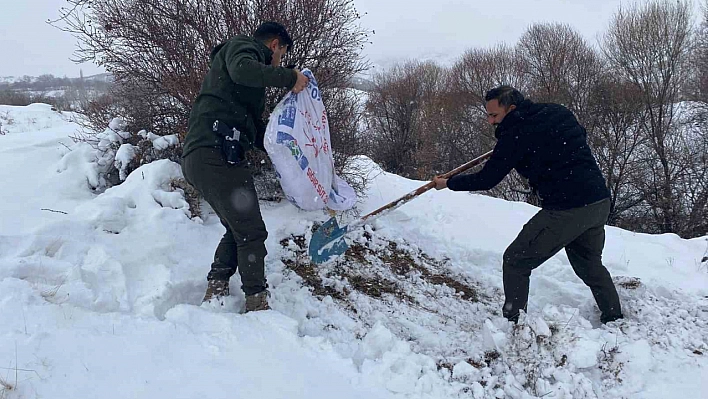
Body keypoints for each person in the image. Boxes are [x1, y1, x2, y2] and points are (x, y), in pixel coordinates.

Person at [433, 85, 624, 324]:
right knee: (588, 263)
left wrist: (448, 183)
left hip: (567, 208)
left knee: (516, 260)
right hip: (598, 201)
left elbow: (487, 179)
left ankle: (515, 323)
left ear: (511, 109)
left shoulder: (514, 134)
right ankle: (614, 315)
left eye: (494, 116)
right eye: (488, 115)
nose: (491, 122)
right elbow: (579, 135)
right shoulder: (557, 111)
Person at [181, 21, 309, 311]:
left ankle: (217, 285)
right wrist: (290, 77)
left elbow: (258, 132)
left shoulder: (239, 82)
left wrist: (291, 153)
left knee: (237, 227)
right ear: (275, 44)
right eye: (282, 54)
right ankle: (256, 300)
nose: (280, 61)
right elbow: (244, 70)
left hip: (204, 155)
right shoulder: (242, 47)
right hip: (216, 152)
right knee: (252, 231)